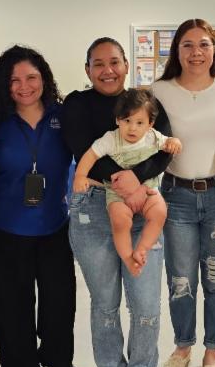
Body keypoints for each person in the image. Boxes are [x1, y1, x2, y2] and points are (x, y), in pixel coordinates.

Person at [64, 37, 172, 367]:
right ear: (87, 69)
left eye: (114, 62)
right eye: (98, 63)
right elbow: (84, 150)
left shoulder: (146, 101)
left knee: (146, 303)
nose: (107, 70)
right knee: (105, 303)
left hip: (143, 203)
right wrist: (122, 182)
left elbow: (163, 150)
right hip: (94, 208)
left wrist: (136, 182)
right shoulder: (76, 104)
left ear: (126, 65)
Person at [150, 18, 215, 367]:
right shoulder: (159, 90)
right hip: (176, 196)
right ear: (176, 50)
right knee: (181, 280)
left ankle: (212, 353)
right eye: (187, 45)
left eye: (204, 44)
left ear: (214, 49)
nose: (196, 52)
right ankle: (183, 346)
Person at [0, 45, 76, 367]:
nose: (24, 86)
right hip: (4, 226)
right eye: (14, 80)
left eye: (31, 77)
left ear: (44, 79)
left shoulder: (62, 116)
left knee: (59, 298)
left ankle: (58, 358)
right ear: (4, 85)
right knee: (12, 302)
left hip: (54, 223)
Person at [72, 89, 181, 276]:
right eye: (127, 121)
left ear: (150, 124)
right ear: (118, 120)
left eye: (139, 123)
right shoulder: (111, 139)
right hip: (117, 193)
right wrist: (80, 175)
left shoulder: (153, 136)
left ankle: (142, 249)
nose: (132, 128)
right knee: (120, 221)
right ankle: (128, 258)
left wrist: (175, 142)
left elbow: (169, 143)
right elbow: (90, 155)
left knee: (160, 212)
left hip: (148, 190)